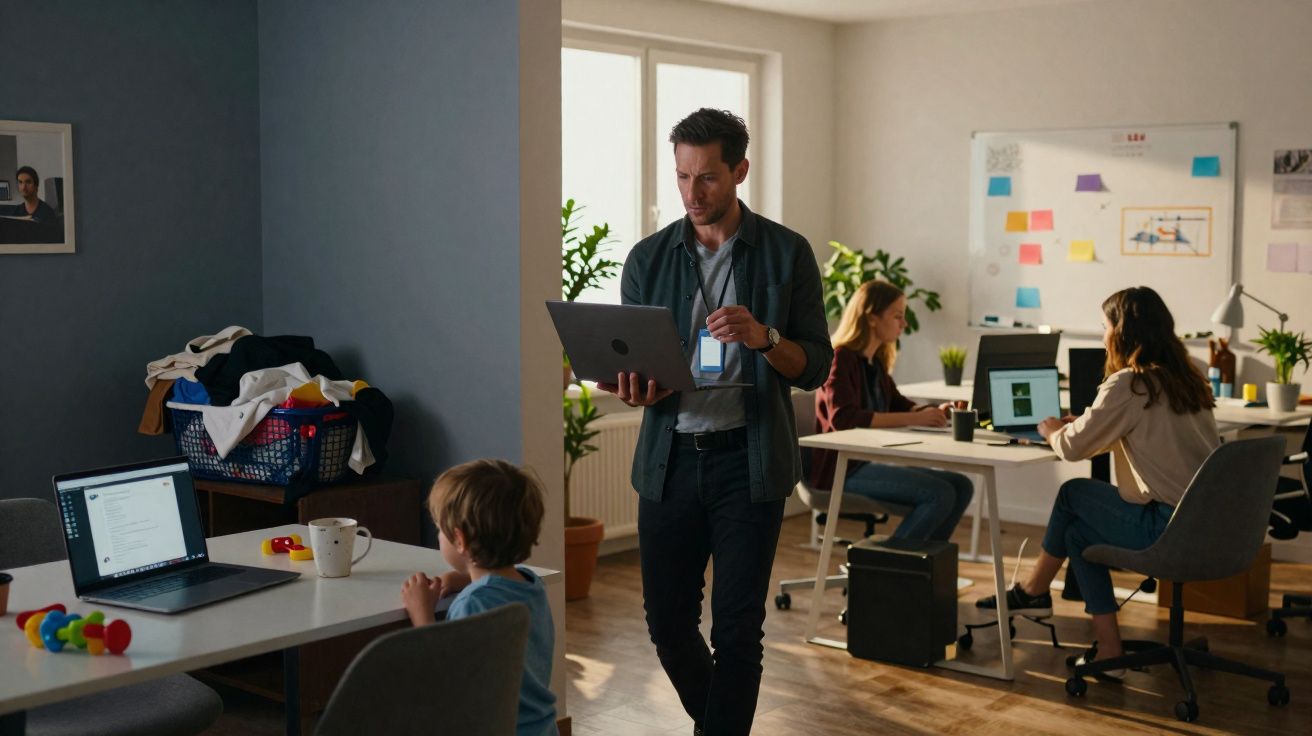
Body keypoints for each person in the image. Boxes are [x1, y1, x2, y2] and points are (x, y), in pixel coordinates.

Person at [598, 108, 831, 736]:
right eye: (681, 177)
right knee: (667, 625)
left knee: (736, 630)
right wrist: (634, 389)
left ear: (740, 172)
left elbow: (813, 367)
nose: (692, 194)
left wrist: (763, 336)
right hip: (669, 459)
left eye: (706, 178)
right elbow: (639, 369)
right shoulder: (648, 258)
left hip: (748, 461)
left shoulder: (787, 253)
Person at [975, 286, 1218, 678]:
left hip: (1166, 527)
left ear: (1122, 332)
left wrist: (1054, 428)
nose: (1102, 334)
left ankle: (1034, 592)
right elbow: (1147, 436)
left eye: (1105, 325)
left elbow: (1070, 449)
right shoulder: (1187, 378)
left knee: (1072, 493)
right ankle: (1109, 651)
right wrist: (1090, 426)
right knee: (1079, 537)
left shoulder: (1130, 383)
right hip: (1208, 526)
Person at [401, 459, 557, 736]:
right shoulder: (530, 584)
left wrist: (421, 612)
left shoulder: (474, 604)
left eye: (440, 529)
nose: (439, 535)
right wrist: (460, 578)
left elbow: (443, 680)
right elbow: (497, 577)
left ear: (459, 540)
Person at [811, 280, 974, 541]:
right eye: (898, 316)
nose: (904, 324)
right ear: (872, 319)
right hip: (843, 470)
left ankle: (922, 567)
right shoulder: (840, 359)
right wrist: (915, 417)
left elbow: (900, 405)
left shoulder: (874, 362)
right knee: (939, 494)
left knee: (961, 485)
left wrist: (934, 411)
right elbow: (844, 418)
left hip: (868, 462)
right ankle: (887, 572)